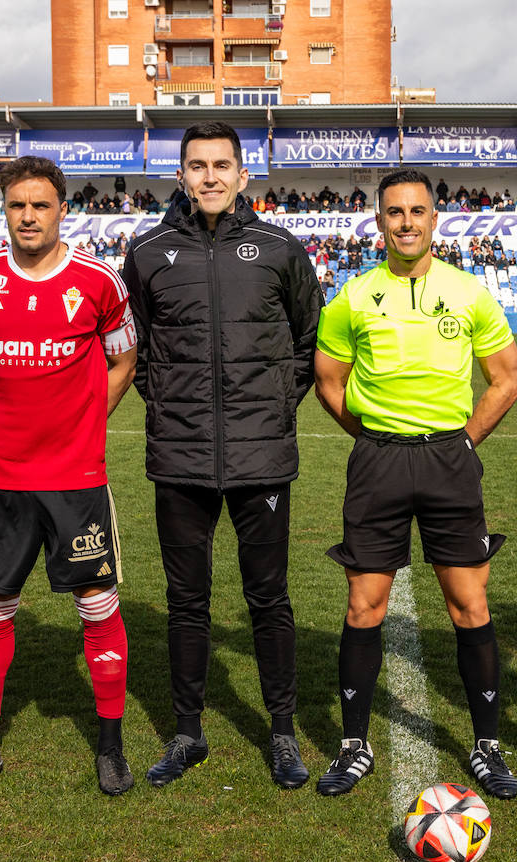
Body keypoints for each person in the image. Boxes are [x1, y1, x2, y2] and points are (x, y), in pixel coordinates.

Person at [122, 121, 321, 790]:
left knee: (269, 598)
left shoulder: (280, 249)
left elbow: (307, 344)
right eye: (197, 165)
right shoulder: (147, 252)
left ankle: (284, 733)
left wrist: (268, 407)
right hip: (178, 458)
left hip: (261, 456)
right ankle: (187, 733)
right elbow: (139, 352)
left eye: (221, 165)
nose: (209, 176)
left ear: (243, 175)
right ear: (179, 174)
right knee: (186, 599)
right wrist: (170, 405)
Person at [312, 169, 517, 799]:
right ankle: (354, 746)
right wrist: (374, 438)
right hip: (378, 463)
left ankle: (486, 746)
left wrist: (461, 443)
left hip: (448, 463)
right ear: (379, 221)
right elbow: (329, 380)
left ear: (436, 219)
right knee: (363, 605)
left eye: (418, 211)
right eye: (395, 212)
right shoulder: (351, 296)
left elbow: (506, 378)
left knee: (470, 604)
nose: (407, 222)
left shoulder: (470, 293)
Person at [0, 156, 138, 798]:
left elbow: (124, 358)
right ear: (4, 210)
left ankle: (110, 747)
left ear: (62, 209)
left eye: (41, 205)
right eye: (17, 206)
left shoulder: (98, 282)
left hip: (75, 477)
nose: (28, 216)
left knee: (96, 604)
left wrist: (86, 419)